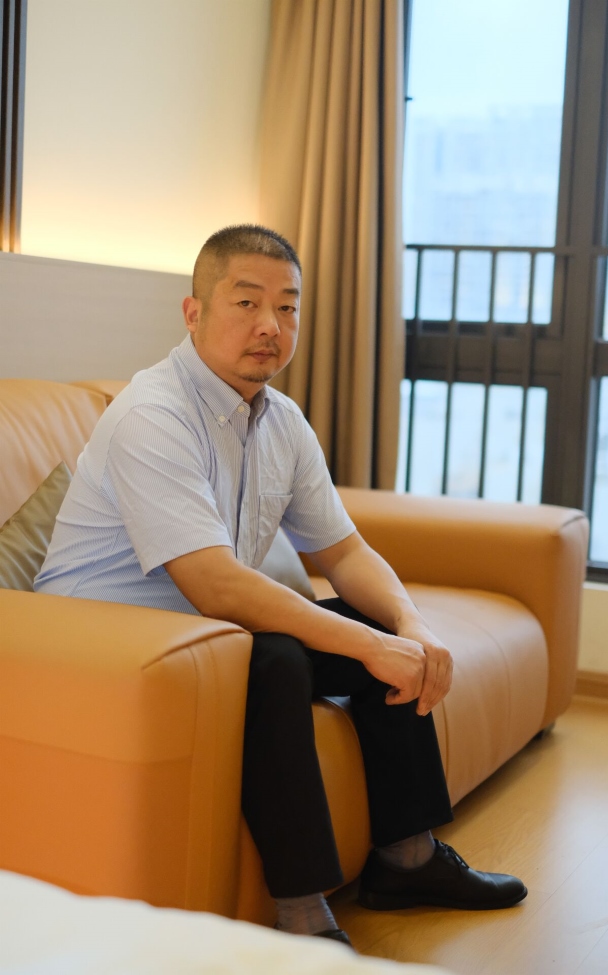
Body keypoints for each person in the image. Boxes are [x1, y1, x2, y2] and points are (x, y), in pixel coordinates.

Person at [35, 225, 526, 946]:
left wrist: (409, 626)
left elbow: (345, 550)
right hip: (100, 651)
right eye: (247, 302)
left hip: (203, 639)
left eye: (288, 307)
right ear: (194, 312)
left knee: (373, 629)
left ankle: (408, 859)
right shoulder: (153, 415)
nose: (270, 325)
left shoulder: (282, 420)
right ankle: (300, 912)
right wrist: (369, 645)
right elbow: (216, 586)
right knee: (278, 657)